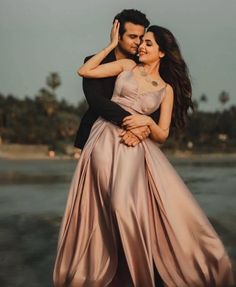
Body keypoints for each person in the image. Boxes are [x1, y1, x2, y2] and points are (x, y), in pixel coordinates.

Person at [53, 21, 234, 287]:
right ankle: (109, 272)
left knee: (123, 204)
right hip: (104, 138)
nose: (141, 46)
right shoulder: (127, 67)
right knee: (101, 204)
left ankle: (139, 276)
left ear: (162, 52)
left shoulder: (166, 89)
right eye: (141, 41)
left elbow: (162, 134)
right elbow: (85, 70)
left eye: (149, 42)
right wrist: (113, 45)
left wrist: (145, 124)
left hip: (135, 146)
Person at [74, 9, 160, 151]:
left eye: (141, 37)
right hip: (95, 136)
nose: (138, 43)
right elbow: (96, 100)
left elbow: (155, 100)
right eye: (132, 37)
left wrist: (144, 129)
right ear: (118, 36)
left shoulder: (144, 66)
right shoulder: (93, 63)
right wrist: (134, 124)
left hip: (132, 139)